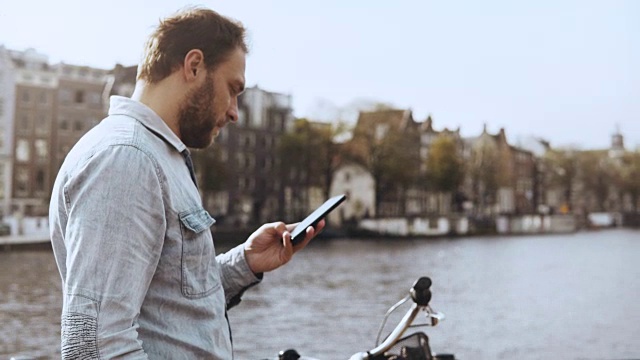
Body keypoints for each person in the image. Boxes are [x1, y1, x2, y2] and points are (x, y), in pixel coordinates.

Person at [49, 7, 324, 359]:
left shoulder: (159, 156)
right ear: (194, 66)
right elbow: (93, 346)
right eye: (232, 89)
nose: (234, 111)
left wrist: (246, 262)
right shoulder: (127, 160)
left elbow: (169, 308)